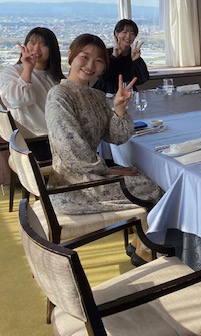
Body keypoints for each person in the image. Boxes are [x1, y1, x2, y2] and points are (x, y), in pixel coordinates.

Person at [45, 34, 162, 263]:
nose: (90, 65)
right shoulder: (59, 95)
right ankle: (146, 249)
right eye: (84, 57)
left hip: (92, 177)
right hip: (72, 187)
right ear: (70, 56)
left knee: (150, 178)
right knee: (155, 187)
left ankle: (141, 241)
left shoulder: (96, 96)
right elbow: (70, 149)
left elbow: (117, 137)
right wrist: (106, 171)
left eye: (99, 60)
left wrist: (119, 108)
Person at [0, 27, 64, 161]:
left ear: (52, 49)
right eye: (32, 43)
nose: (36, 49)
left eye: (44, 44)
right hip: (32, 143)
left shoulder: (56, 78)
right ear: (25, 45)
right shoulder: (12, 72)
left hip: (60, 140)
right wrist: (28, 68)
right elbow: (17, 100)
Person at [93, 20, 149, 94]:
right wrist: (114, 57)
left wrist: (136, 60)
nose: (128, 36)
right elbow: (103, 77)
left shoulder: (133, 54)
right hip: (105, 92)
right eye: (124, 32)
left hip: (127, 92)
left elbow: (143, 79)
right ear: (116, 33)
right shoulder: (105, 53)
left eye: (132, 33)